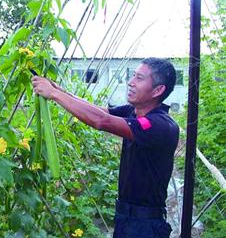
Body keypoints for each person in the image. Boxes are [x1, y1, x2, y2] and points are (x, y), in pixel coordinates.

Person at [31, 57, 179, 238]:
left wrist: (54, 95)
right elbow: (101, 111)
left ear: (158, 90)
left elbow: (101, 121)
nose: (130, 82)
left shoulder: (160, 125)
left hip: (145, 225)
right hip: (126, 217)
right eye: (133, 76)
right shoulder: (134, 112)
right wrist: (59, 91)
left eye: (139, 79)